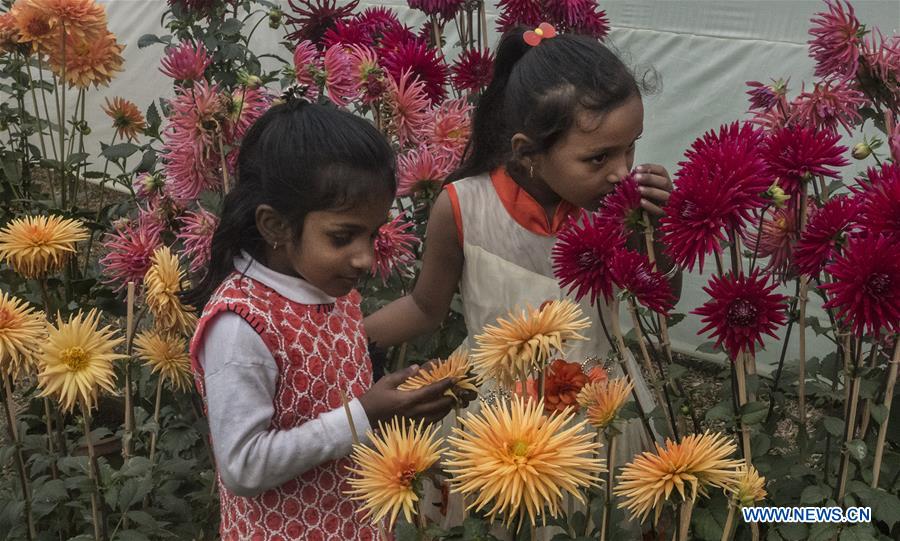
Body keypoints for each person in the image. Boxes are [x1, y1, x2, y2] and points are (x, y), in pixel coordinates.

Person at [363, 25, 681, 532]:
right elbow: (425, 307)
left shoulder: (618, 211)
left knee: (597, 522)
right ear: (528, 152)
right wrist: (347, 341)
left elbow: (664, 299)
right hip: (494, 424)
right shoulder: (463, 206)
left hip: (600, 412)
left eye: (631, 149)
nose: (623, 172)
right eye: (598, 157)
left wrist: (658, 235)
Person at [185, 101, 458, 541]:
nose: (366, 258)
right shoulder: (241, 326)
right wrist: (363, 415)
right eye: (342, 236)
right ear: (275, 225)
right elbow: (243, 466)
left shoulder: (329, 289)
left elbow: (332, 393)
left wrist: (398, 405)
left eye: (373, 234)